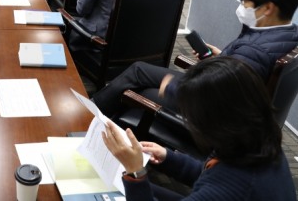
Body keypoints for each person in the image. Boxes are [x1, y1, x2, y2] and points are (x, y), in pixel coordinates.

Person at [92, 0, 298, 117]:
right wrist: (222, 59)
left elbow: (218, 95)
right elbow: (242, 76)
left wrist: (172, 88)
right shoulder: (288, 34)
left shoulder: (253, 52)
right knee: (139, 72)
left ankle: (92, 114)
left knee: (138, 88)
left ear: (268, 8)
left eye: (245, 1)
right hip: (224, 90)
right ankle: (98, 111)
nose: (242, 6)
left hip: (211, 110)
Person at [102, 56, 295, 201]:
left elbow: (219, 184)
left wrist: (135, 171)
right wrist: (168, 157)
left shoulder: (229, 188)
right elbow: (211, 174)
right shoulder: (258, 141)